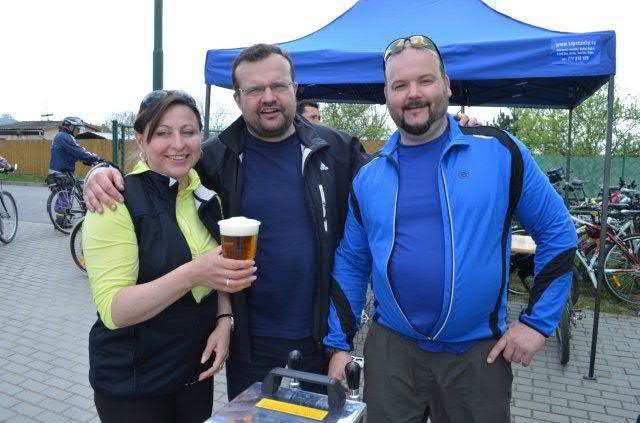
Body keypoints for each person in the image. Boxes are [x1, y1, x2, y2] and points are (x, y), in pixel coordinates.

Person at [82, 43, 478, 402]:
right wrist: (101, 174)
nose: (268, 97)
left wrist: (448, 145)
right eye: (255, 90)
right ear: (238, 99)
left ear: (295, 88)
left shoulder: (338, 151)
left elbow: (393, 194)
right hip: (249, 344)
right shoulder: (214, 158)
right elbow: (163, 169)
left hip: (321, 338)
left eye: (278, 86)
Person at [324, 35, 577, 423]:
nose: (413, 94)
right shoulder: (369, 176)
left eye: (425, 80)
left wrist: (537, 325)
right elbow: (352, 261)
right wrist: (339, 345)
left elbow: (558, 232)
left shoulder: (500, 152)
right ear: (386, 95)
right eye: (399, 85)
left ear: (446, 84)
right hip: (391, 353)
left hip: (476, 355)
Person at [83, 90, 256, 422]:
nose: (178, 143)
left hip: (194, 374)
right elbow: (115, 311)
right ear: (141, 140)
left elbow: (218, 271)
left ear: (201, 137)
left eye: (188, 131)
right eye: (163, 133)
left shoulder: (207, 197)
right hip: (135, 384)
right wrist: (193, 273)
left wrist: (224, 320)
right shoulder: (114, 202)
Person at [48, 116, 101, 228]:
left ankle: (61, 219)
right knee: (65, 195)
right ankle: (61, 221)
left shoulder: (61, 136)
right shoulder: (65, 136)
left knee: (65, 194)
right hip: (61, 171)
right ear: (70, 127)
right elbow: (78, 151)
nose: (78, 131)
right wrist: (95, 158)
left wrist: (87, 160)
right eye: (77, 128)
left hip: (60, 170)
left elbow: (71, 153)